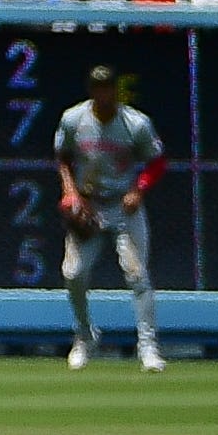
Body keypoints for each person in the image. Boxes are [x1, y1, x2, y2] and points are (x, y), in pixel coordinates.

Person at [53, 59, 165, 372]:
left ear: (117, 90)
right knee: (72, 273)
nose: (103, 93)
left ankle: (148, 347)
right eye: (97, 87)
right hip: (89, 204)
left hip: (123, 205)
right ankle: (85, 335)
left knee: (137, 275)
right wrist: (70, 191)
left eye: (108, 87)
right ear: (91, 90)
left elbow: (156, 162)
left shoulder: (135, 123)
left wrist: (138, 189)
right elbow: (62, 157)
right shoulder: (74, 119)